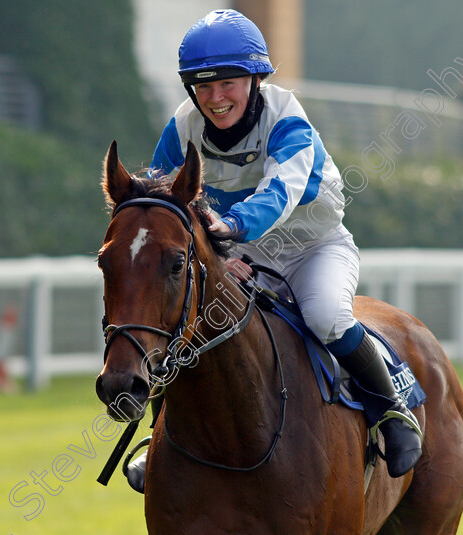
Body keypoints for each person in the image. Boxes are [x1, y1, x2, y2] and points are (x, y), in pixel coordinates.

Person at [127, 9, 422, 491]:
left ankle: (391, 411)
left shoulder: (288, 119)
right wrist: (212, 254)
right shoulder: (182, 127)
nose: (215, 98)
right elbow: (162, 199)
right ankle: (160, 434)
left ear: (256, 77)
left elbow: (280, 191)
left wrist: (231, 228)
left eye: (228, 83)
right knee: (189, 320)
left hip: (314, 248)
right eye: (202, 86)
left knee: (326, 314)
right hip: (242, 252)